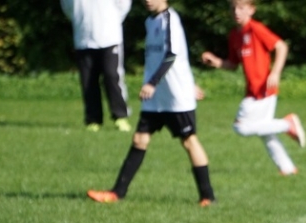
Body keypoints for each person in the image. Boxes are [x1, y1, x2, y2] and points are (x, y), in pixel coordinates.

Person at [86, 0, 216, 206]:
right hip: (155, 98)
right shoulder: (150, 21)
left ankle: (208, 197)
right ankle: (117, 193)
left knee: (189, 141)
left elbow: (172, 55)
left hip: (175, 97)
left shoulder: (170, 20)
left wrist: (154, 83)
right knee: (139, 139)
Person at [200, 0, 305, 176]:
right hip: (252, 90)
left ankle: (288, 124)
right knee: (265, 131)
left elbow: (281, 46)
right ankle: (287, 168)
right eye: (233, 8)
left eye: (241, 8)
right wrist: (216, 62)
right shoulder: (235, 35)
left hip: (264, 88)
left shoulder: (255, 29)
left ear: (251, 10)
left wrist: (275, 72)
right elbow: (233, 64)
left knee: (241, 127)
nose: (236, 12)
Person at [61, 0, 133, 132]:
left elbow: (123, 4)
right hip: (83, 38)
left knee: (112, 76)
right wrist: (79, 20)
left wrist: (111, 21)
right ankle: (93, 119)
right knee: (88, 80)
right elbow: (67, 7)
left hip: (110, 37)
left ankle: (120, 116)